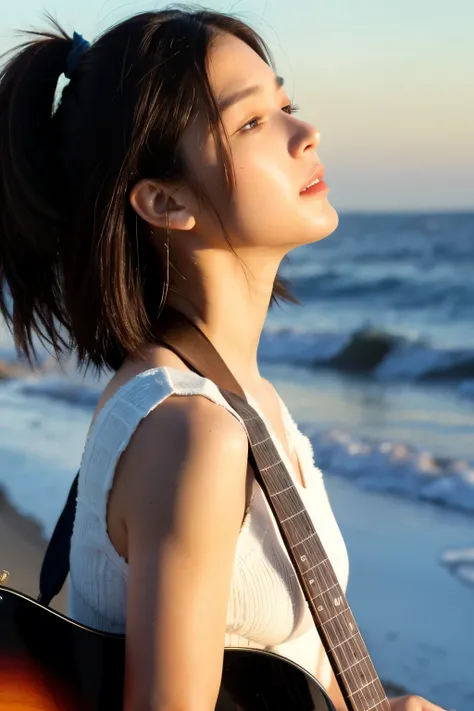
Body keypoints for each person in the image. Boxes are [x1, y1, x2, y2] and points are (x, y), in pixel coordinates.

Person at [0, 8, 448, 711]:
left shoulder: (240, 400)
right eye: (251, 123)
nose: (307, 134)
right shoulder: (192, 432)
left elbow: (286, 665)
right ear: (164, 200)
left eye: (286, 104)